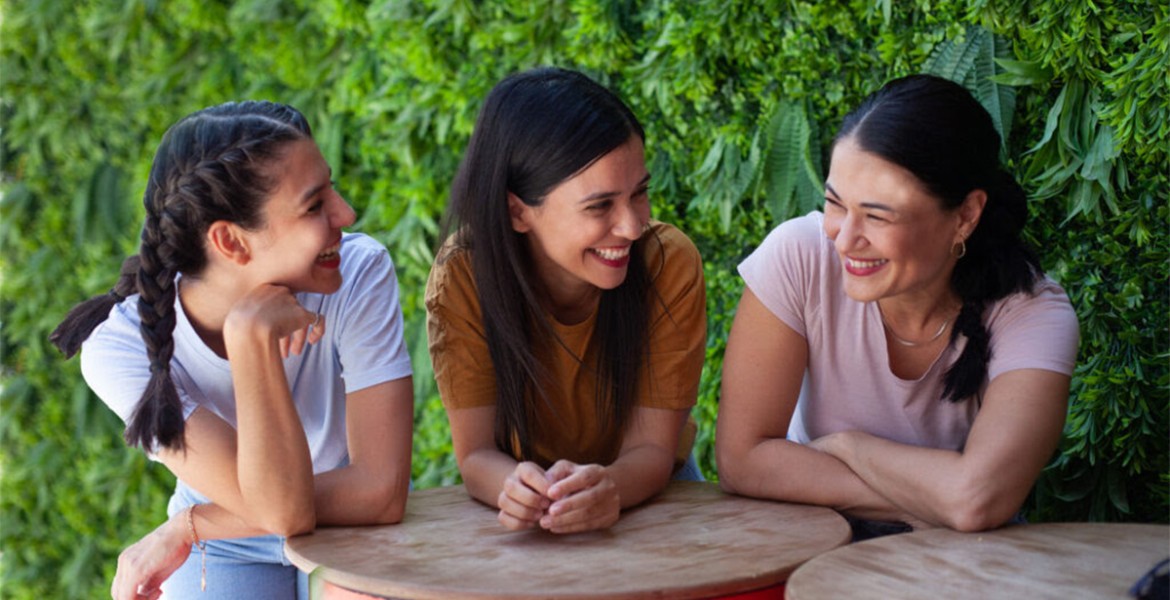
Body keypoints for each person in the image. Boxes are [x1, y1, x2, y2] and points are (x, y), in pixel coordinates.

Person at [50, 101, 414, 599]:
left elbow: (380, 492)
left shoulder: (358, 271)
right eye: (314, 205)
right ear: (230, 241)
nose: (345, 214)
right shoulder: (119, 347)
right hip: (229, 545)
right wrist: (251, 342)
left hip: (345, 524)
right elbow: (278, 509)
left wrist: (189, 525)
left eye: (331, 188)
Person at [716, 74, 1079, 539]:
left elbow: (977, 498)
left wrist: (851, 447)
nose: (844, 239)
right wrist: (934, 498)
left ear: (966, 215)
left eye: (878, 215)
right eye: (835, 203)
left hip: (958, 566)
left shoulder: (1031, 314)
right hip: (813, 536)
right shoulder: (799, 256)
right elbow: (742, 460)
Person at [425, 67, 707, 535]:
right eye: (600, 207)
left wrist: (609, 487)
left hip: (656, 493)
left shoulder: (666, 263)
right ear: (518, 211)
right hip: (535, 506)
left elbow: (654, 452)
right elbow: (475, 456)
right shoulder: (462, 276)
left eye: (640, 193)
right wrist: (515, 487)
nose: (632, 226)